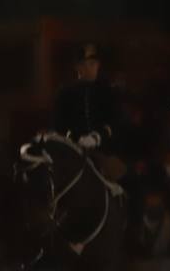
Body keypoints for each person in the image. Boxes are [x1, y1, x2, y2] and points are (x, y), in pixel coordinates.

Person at [53, 43, 125, 182]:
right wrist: (75, 138)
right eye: (88, 64)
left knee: (127, 181)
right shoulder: (65, 93)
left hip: (103, 152)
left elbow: (117, 122)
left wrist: (98, 137)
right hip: (72, 153)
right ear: (78, 67)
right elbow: (59, 125)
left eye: (94, 63)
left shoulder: (108, 91)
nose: (92, 68)